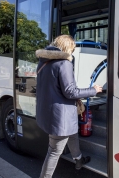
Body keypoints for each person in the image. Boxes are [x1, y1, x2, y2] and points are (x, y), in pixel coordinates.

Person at [35, 35, 102, 178]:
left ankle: (79, 160)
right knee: (53, 152)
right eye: (72, 49)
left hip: (53, 114)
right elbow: (71, 92)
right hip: (60, 118)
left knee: (73, 135)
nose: (72, 53)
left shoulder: (43, 62)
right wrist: (93, 90)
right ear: (67, 48)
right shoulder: (64, 63)